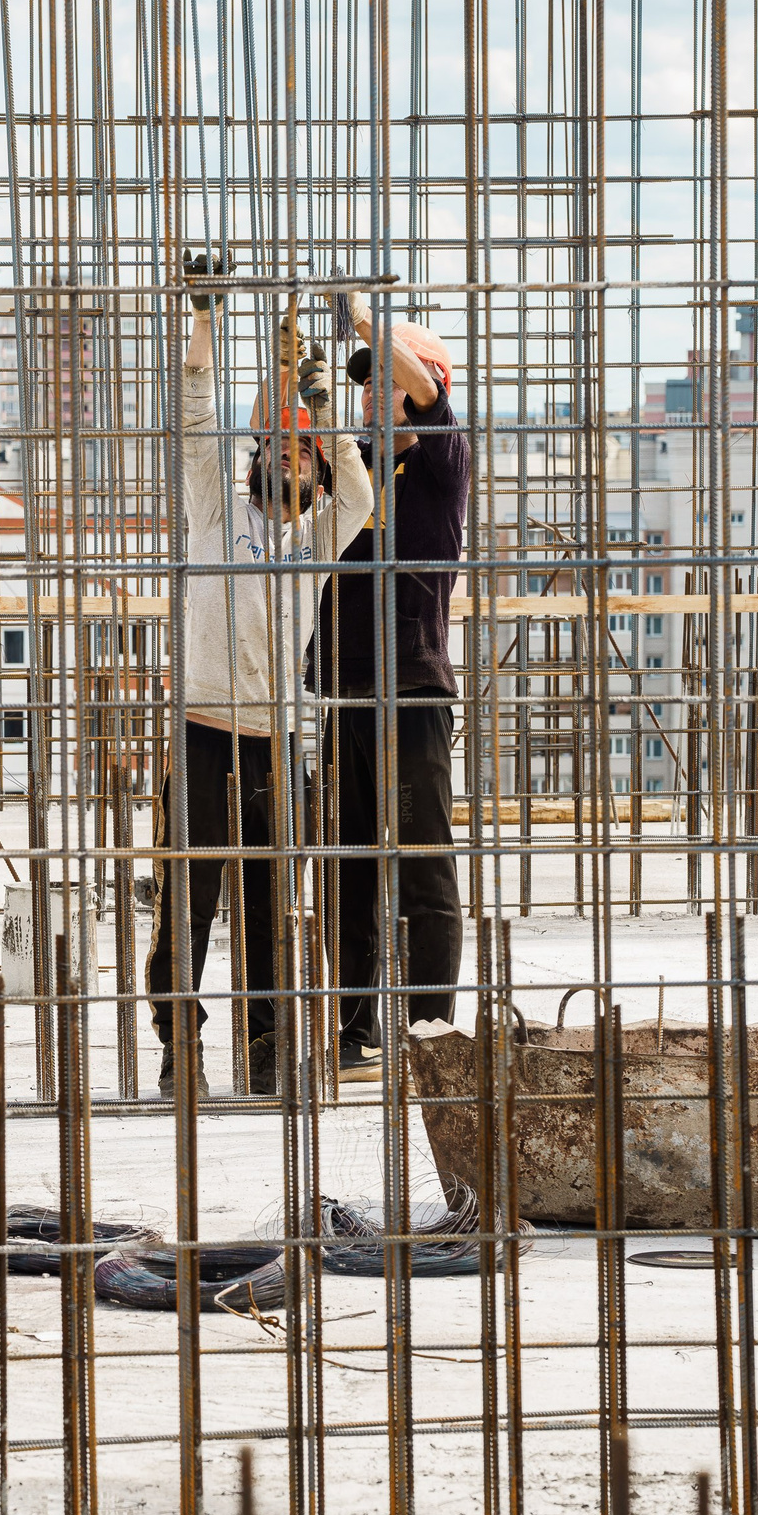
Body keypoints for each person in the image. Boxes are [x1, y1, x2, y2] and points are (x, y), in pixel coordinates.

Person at [149, 254, 374, 1097]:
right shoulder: (218, 506)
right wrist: (207, 318)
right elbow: (197, 409)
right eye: (274, 443)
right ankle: (181, 1042)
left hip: (277, 743)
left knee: (273, 905)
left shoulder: (314, 539)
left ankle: (269, 1042)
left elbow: (360, 497)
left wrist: (324, 407)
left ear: (314, 467)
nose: (287, 456)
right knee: (187, 904)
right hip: (204, 735)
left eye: (301, 449)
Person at [305, 296, 469, 1083]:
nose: (372, 395)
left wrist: (370, 324)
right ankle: (359, 1029)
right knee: (352, 869)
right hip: (343, 691)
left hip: (411, 690)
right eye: (364, 385)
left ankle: (431, 1035)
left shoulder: (440, 461)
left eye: (384, 383)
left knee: (423, 867)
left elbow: (428, 395)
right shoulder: (354, 475)